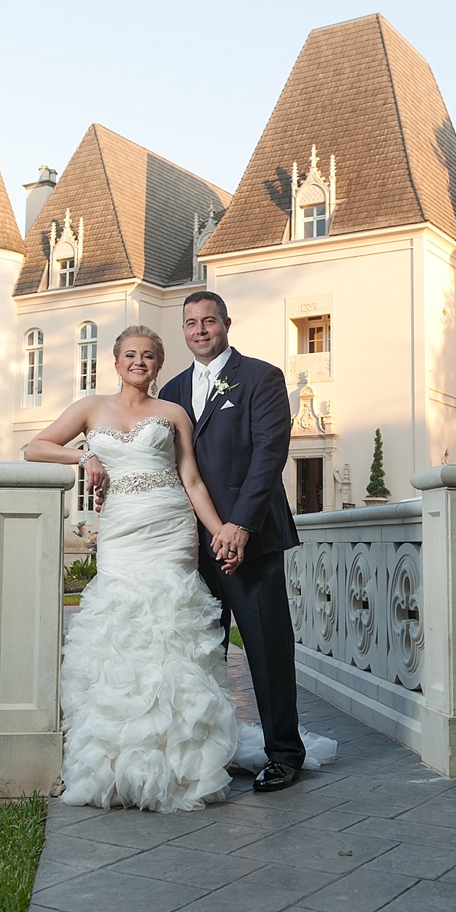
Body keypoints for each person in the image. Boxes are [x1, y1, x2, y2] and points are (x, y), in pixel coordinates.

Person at [25, 325, 240, 810]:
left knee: (169, 632)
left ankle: (181, 762)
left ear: (158, 364)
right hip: (120, 533)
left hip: (170, 529)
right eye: (129, 354)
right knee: (119, 632)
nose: (138, 362)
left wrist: (219, 530)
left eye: (148, 355)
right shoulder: (89, 407)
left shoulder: (173, 413)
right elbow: (34, 447)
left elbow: (191, 479)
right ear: (116, 362)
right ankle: (114, 763)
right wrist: (84, 456)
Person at [160, 291, 311, 792]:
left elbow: (270, 453)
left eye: (208, 321)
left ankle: (285, 754)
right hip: (190, 544)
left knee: (267, 650)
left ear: (227, 322)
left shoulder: (261, 377)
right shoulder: (172, 389)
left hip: (252, 540)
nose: (199, 330)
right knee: (203, 654)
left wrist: (240, 524)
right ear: (183, 330)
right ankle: (207, 753)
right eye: (190, 323)